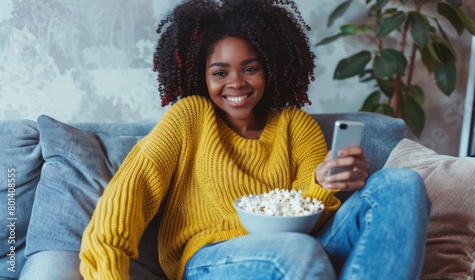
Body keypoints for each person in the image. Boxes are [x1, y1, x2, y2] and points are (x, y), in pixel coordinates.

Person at [79, 0, 431, 279]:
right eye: (220, 72)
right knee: (298, 252)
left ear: (271, 69)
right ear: (202, 76)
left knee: (402, 183)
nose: (236, 83)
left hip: (304, 250)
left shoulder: (296, 126)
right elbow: (131, 193)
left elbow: (311, 217)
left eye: (250, 68)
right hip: (213, 257)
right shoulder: (190, 118)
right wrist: (107, 271)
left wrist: (324, 183)